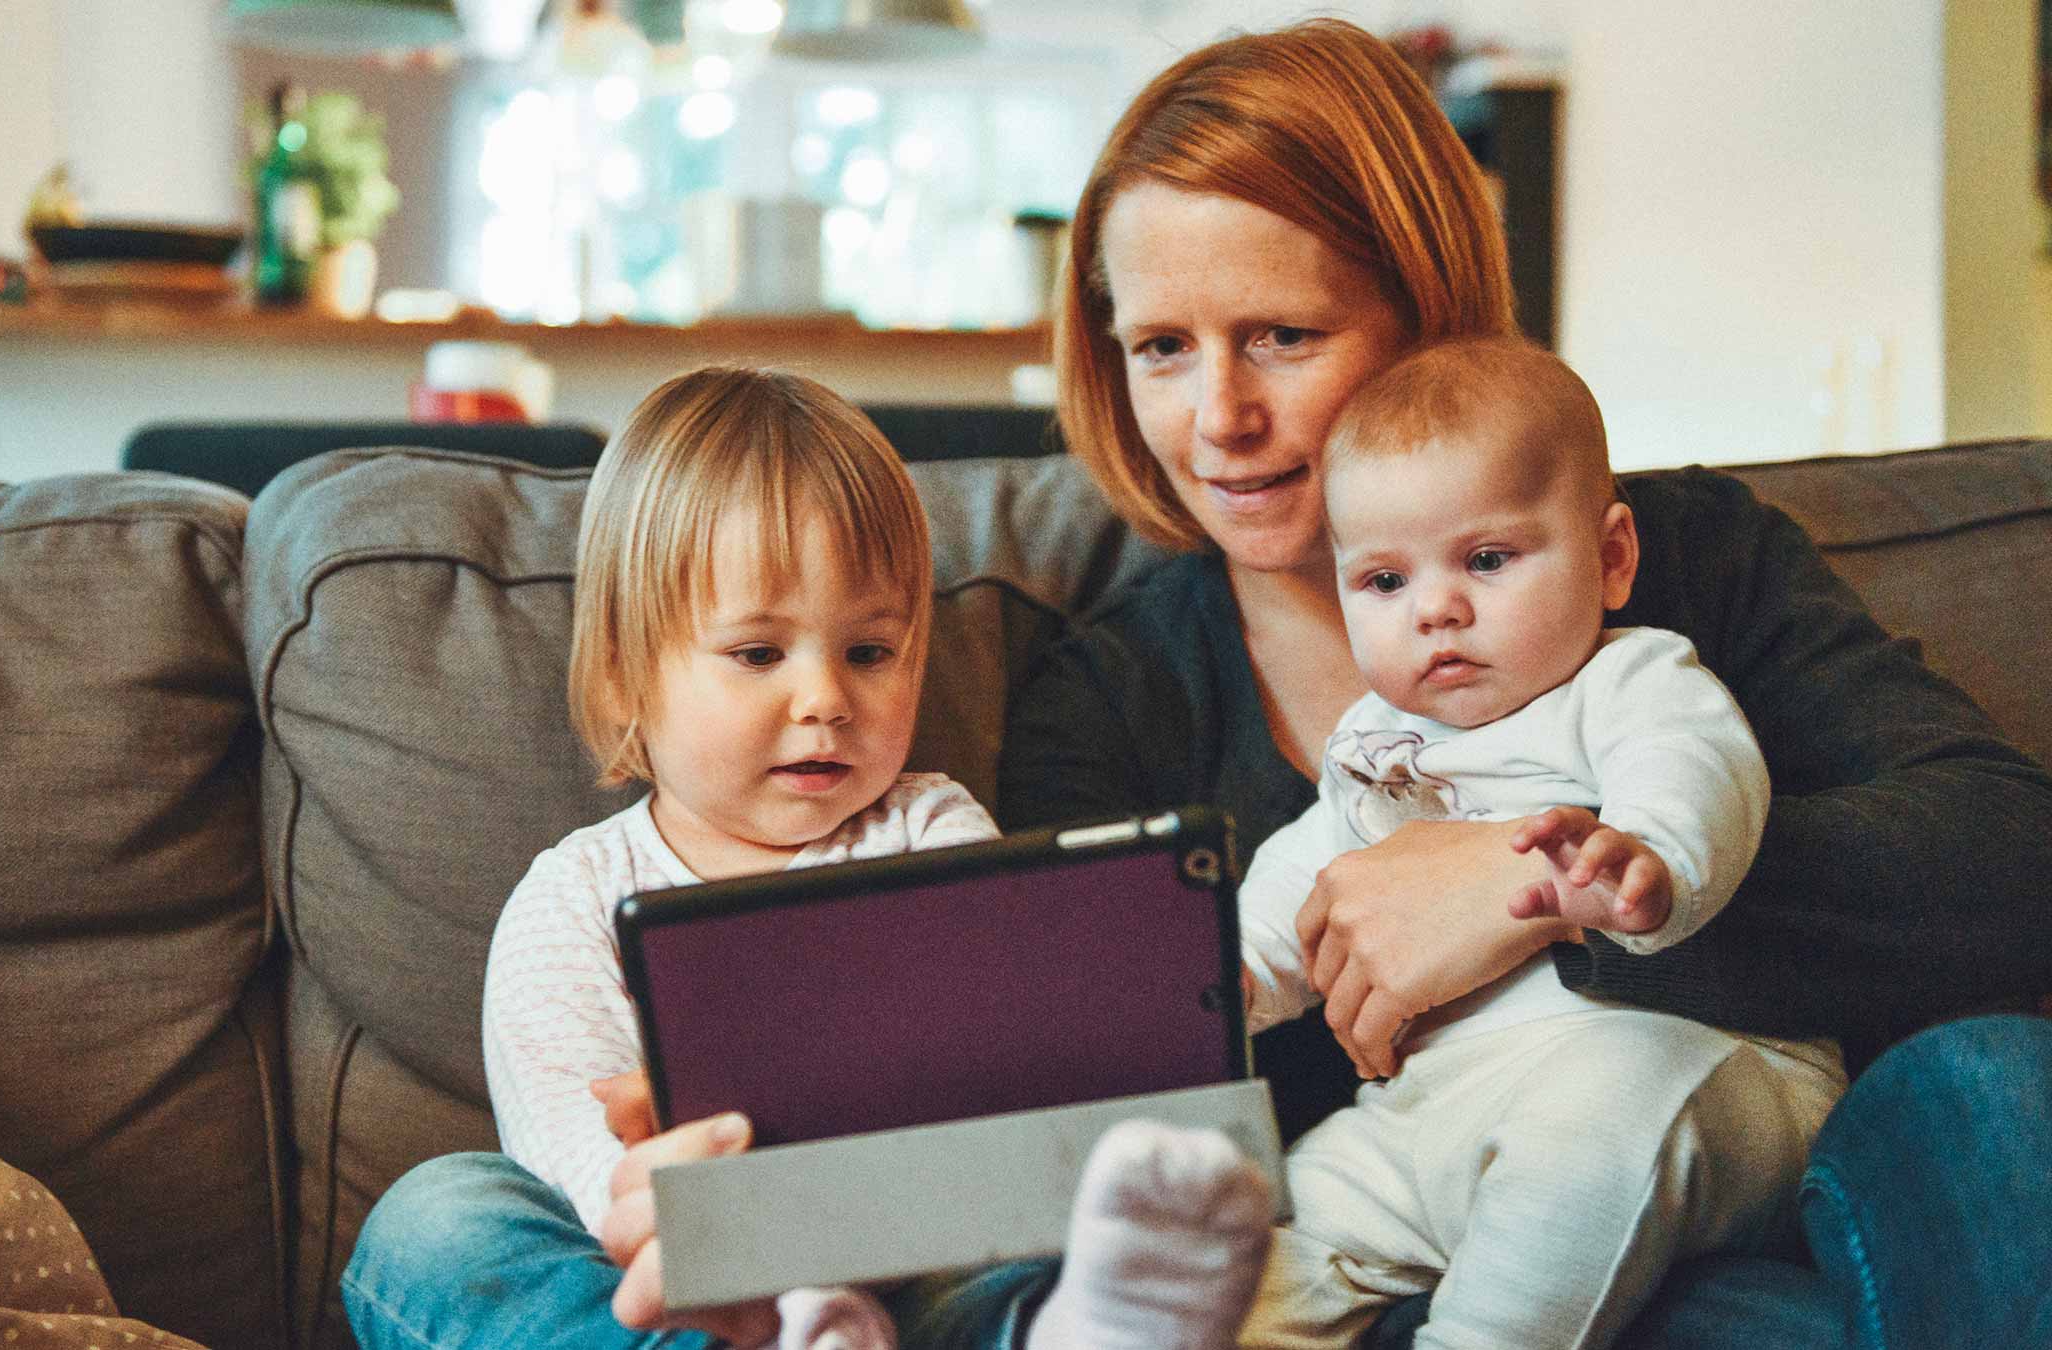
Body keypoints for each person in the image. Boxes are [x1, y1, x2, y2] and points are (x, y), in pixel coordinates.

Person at [979, 17, 2052, 1350]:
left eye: (1281, 334)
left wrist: (1531, 887)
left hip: (1748, 1175)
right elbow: (1098, 1081)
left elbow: (2012, 860)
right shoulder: (1111, 693)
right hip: (1400, 1254)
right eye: (1161, 348)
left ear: (1424, 314)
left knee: (2002, 1079)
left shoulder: (1679, 560)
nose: (1219, 417)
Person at [339, 365, 1279, 1350]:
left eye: (868, 653)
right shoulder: (570, 899)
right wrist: (725, 1232)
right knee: (438, 1217)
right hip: (682, 1288)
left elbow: (998, 1085)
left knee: (1057, 1225)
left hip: (917, 1263)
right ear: (623, 677)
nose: (825, 698)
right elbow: (581, 1172)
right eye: (758, 654)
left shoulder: (933, 833)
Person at [1222, 334, 1843, 1349]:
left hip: (1679, 1072)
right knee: (1252, 1254)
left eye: (1487, 560)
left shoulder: (1629, 679)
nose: (1437, 609)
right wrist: (1232, 979)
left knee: (1585, 1141)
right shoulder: (1375, 744)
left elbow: (1696, 767)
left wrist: (1646, 859)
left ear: (1611, 558)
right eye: (1383, 582)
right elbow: (1313, 873)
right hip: (1434, 1114)